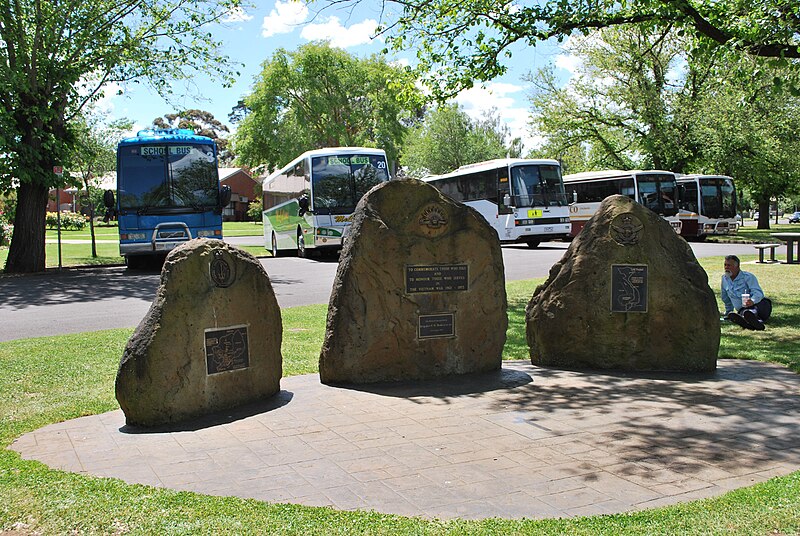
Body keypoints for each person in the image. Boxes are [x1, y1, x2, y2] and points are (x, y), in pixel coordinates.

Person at [721, 255, 772, 330]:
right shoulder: (724, 279)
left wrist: (752, 301)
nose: (726, 267)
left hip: (759, 305)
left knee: (756, 309)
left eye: (729, 265)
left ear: (737, 266)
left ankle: (751, 319)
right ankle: (752, 322)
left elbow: (758, 293)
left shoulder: (748, 277)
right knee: (744, 312)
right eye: (725, 265)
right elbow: (726, 298)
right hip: (743, 309)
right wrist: (728, 312)